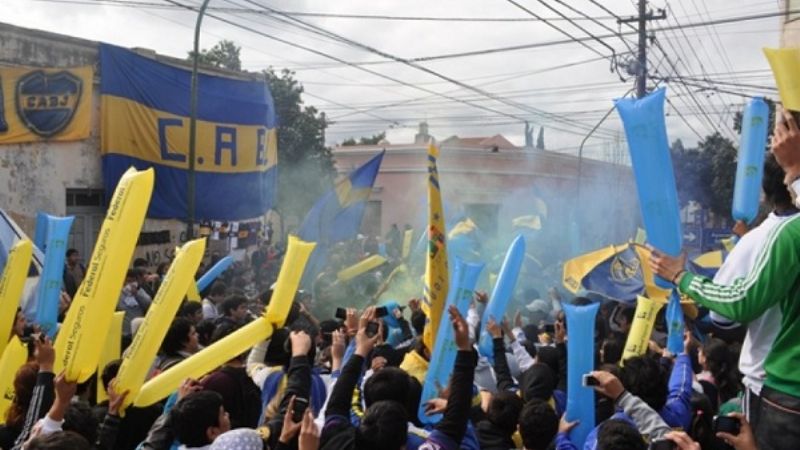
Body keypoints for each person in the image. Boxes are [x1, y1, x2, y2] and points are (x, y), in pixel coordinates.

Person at [704, 154, 798, 429]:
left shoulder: (758, 240)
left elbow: (722, 317)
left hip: (771, 391)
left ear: (764, 192)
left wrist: (681, 277)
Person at [116, 269, 152, 338]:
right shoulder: (118, 294)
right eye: (128, 281)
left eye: (133, 281)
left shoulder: (140, 291)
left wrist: (137, 293)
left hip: (140, 330)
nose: (131, 284)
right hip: (125, 333)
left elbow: (148, 303)